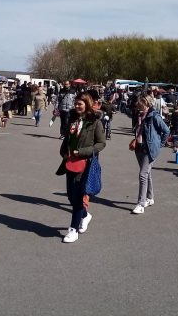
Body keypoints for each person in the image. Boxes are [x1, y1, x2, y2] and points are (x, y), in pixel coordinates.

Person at [60, 93, 106, 243]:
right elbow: (67, 139)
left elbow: (101, 143)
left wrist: (83, 152)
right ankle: (85, 215)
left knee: (79, 196)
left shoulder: (95, 122)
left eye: (80, 104)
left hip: (85, 163)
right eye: (76, 104)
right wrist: (63, 152)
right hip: (69, 162)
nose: (77, 106)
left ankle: (73, 230)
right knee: (70, 196)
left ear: (86, 104)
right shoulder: (73, 119)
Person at [131, 97, 170, 215]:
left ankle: (141, 203)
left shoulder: (154, 116)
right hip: (139, 147)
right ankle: (150, 197)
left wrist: (160, 145)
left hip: (149, 149)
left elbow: (166, 131)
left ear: (146, 105)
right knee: (147, 173)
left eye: (141, 106)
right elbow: (138, 129)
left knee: (142, 174)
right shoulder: (139, 115)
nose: (139, 109)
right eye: (138, 107)